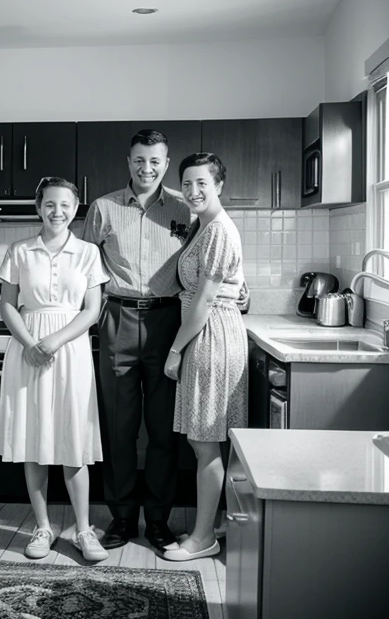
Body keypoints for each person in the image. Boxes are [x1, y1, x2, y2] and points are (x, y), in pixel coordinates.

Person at [83, 129, 192, 553]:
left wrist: (240, 291)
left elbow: (208, 262)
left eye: (155, 161)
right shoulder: (103, 208)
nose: (146, 168)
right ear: (128, 161)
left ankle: (160, 521)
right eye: (139, 160)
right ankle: (123, 517)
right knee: (119, 427)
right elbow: (84, 267)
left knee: (164, 430)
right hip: (117, 319)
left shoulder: (186, 208)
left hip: (170, 322)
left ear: (166, 164)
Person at [0, 176, 110, 562]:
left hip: (70, 349)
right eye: (49, 204)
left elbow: (92, 311)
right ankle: (42, 528)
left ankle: (83, 530)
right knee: (34, 440)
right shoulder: (19, 251)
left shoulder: (89, 252)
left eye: (65, 205)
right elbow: (8, 306)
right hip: (27, 349)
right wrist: (30, 343)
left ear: (76, 209)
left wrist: (55, 341)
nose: (57, 211)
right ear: (38, 207)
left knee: (73, 441)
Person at [163, 152, 248, 562]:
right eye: (187, 184)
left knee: (204, 442)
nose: (193, 191)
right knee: (208, 439)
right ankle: (211, 525)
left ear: (219, 186)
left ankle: (202, 540)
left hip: (210, 335)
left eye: (202, 183)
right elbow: (230, 284)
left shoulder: (217, 230)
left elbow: (206, 297)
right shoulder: (205, 225)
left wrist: (176, 349)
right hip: (211, 331)